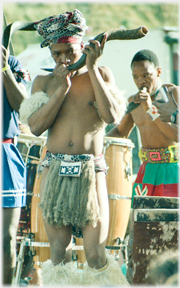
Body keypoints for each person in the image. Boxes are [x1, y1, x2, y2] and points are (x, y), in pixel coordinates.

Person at [19, 9, 128, 286]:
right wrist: (62, 90)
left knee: (94, 253)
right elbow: (35, 127)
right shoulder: (44, 81)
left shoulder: (101, 73)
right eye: (56, 54)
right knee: (58, 253)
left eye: (68, 51)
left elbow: (112, 117)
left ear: (81, 44)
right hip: (55, 169)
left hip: (91, 171)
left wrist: (91, 68)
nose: (63, 58)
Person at [107, 49, 179, 283]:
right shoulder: (133, 103)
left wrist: (152, 109)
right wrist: (96, 142)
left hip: (172, 169)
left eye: (146, 75)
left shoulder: (173, 95)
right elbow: (120, 132)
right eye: (136, 77)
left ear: (158, 71)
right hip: (146, 172)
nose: (141, 81)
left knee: (173, 227)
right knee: (143, 227)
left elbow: (177, 135)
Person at [2, 44, 30, 285]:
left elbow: (23, 106)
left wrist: (4, 69)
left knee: (6, 239)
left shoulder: (11, 63)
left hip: (5, 155)